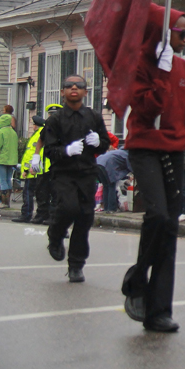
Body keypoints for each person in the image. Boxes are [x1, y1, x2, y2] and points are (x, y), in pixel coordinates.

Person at [121, 4, 185, 333]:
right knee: (159, 217)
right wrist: (161, 73)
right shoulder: (140, 65)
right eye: (182, 32)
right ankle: (137, 278)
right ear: (163, 33)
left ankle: (159, 310)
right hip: (145, 147)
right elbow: (148, 109)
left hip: (175, 150)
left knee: (170, 231)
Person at [43, 74, 111, 283]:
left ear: (85, 92)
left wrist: (99, 142)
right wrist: (66, 150)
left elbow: (105, 143)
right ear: (62, 92)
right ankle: (55, 235)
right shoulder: (55, 119)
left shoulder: (93, 117)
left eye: (79, 85)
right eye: (69, 86)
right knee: (68, 208)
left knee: (85, 217)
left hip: (87, 172)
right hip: (63, 173)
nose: (74, 88)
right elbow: (49, 150)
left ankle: (76, 265)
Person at [12, 115, 49, 222]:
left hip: (34, 170)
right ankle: (37, 215)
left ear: (35, 125)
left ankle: (26, 215)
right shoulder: (38, 134)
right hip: (34, 169)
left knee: (29, 193)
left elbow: (35, 153)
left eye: (33, 124)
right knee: (37, 194)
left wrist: (28, 168)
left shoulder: (39, 135)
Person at [32, 104, 63, 225]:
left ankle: (54, 217)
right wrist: (36, 157)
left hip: (59, 166)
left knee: (57, 193)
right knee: (41, 192)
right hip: (45, 166)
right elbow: (41, 140)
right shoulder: (48, 126)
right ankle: (42, 214)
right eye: (50, 115)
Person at [0, 112, 19, 209]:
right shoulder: (13, 132)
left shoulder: (0, 132)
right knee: (8, 180)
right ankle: (7, 202)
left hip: (1, 160)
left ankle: (3, 202)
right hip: (11, 160)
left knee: (2, 181)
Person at [97, 149, 131, 213]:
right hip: (107, 166)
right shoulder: (126, 155)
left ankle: (106, 208)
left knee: (106, 186)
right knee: (111, 186)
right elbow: (130, 167)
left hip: (98, 163)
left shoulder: (118, 152)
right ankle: (111, 209)